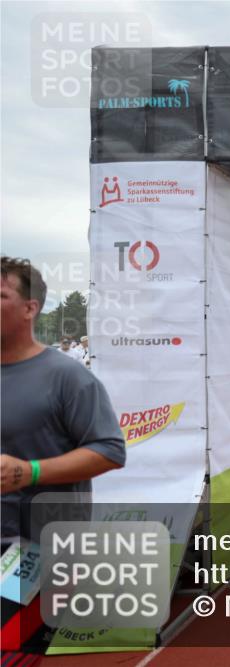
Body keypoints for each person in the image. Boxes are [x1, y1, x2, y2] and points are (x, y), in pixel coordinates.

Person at [1, 257, 126, 659]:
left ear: (29, 308)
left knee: (10, 648)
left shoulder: (67, 377)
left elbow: (110, 450)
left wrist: (30, 471)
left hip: (36, 549)